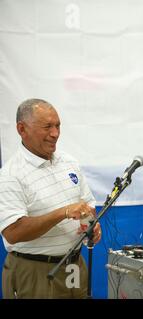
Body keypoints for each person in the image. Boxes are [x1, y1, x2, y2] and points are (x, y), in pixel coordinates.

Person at [0, 98, 101, 298]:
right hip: (34, 271)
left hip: (74, 266)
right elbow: (12, 232)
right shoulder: (11, 175)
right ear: (22, 129)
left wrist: (91, 224)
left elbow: (87, 206)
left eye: (57, 126)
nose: (55, 133)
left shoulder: (69, 163)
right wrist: (62, 213)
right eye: (47, 127)